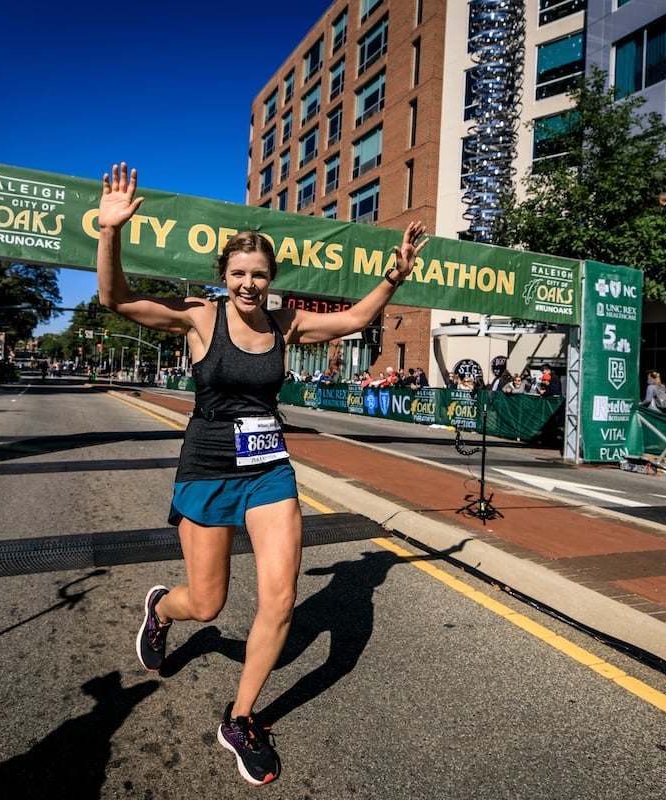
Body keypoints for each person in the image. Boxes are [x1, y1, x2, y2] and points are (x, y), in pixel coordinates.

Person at [96, 162, 427, 786]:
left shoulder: (285, 324)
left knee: (280, 599)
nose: (249, 284)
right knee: (209, 601)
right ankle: (163, 610)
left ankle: (241, 717)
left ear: (272, 279)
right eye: (239, 274)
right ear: (223, 277)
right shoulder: (198, 317)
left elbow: (354, 321)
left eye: (260, 275)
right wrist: (110, 232)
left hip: (269, 469)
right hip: (207, 468)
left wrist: (393, 276)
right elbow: (115, 299)